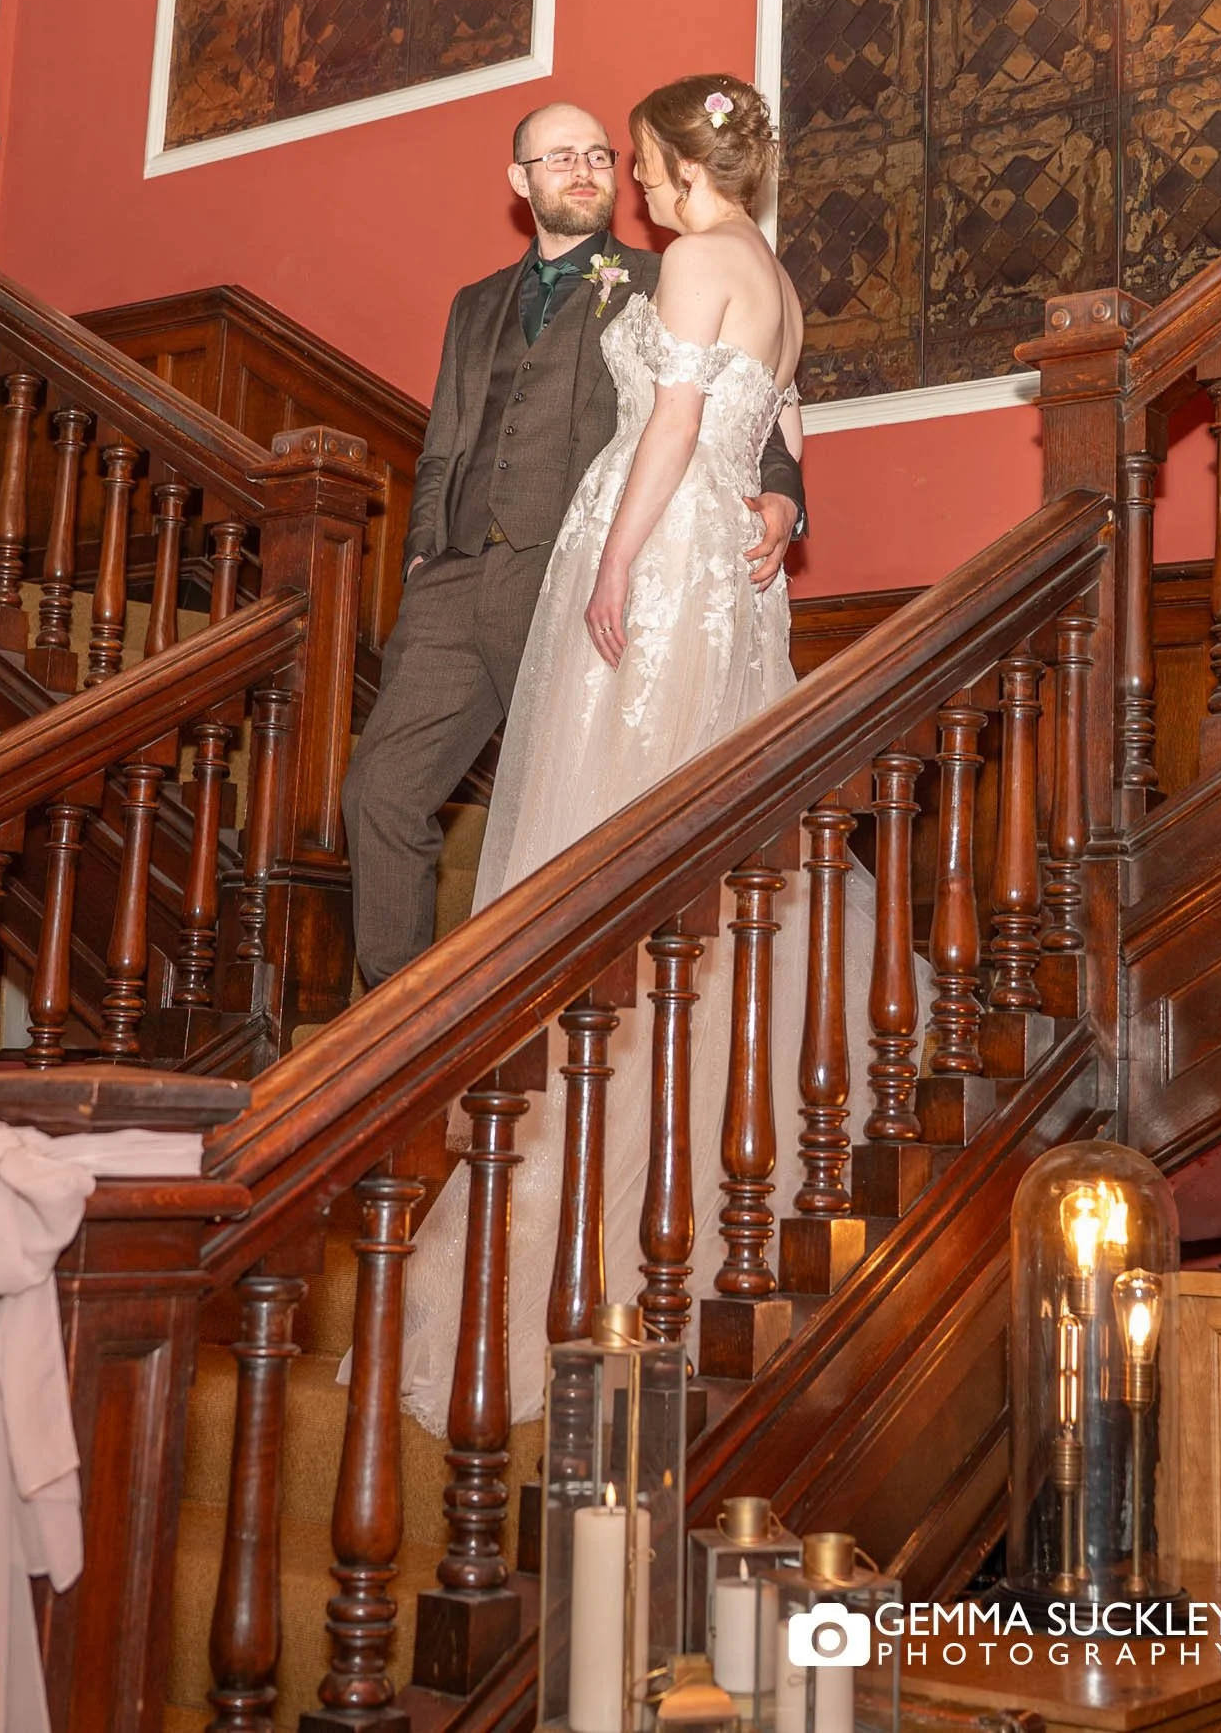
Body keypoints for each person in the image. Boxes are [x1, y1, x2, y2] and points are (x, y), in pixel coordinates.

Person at [395, 73, 878, 1434]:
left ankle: (578, 1162)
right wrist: (778, 507)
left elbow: (666, 426)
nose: (637, 183)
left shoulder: (687, 268)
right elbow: (779, 424)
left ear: (681, 165)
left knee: (601, 820)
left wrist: (607, 563)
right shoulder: (770, 274)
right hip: (733, 576)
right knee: (701, 836)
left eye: (645, 162)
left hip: (662, 564)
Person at [342, 96, 806, 991]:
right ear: (519, 182)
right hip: (456, 578)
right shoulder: (474, 304)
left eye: (599, 154)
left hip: (582, 572)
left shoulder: (664, 266)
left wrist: (782, 502)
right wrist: (422, 556)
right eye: (558, 159)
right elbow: (444, 441)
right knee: (380, 792)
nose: (587, 170)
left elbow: (759, 394)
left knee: (578, 808)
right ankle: (395, 1021)